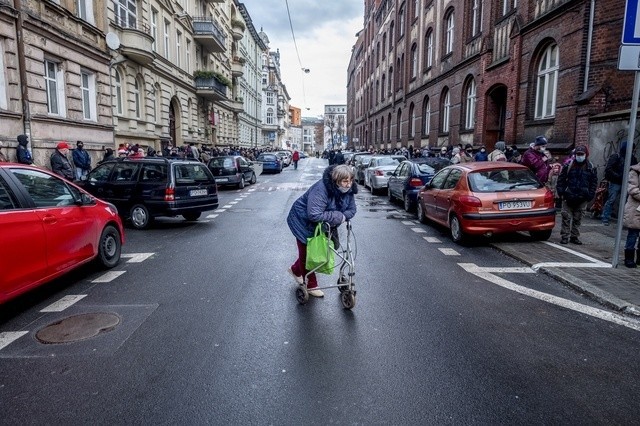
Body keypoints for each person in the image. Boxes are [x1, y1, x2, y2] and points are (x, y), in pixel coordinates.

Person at [287, 164, 357, 297]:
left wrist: (342, 216)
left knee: (327, 249)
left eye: (350, 181)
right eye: (345, 181)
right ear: (336, 180)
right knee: (308, 251)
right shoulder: (321, 189)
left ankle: (295, 270)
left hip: (325, 223)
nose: (348, 185)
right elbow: (314, 214)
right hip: (303, 221)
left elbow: (352, 210)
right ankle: (311, 284)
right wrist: (339, 216)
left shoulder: (349, 190)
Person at [556, 145, 598, 245]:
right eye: (577, 154)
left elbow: (593, 183)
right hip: (569, 195)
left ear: (585, 155)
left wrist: (590, 195)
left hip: (582, 197)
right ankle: (565, 236)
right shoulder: (568, 166)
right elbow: (561, 180)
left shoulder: (590, 168)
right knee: (566, 217)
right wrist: (561, 192)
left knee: (578, 218)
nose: (579, 156)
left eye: (581, 154)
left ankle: (574, 236)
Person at [602, 141, 637, 226]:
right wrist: (618, 176)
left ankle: (622, 220)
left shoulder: (632, 158)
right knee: (611, 200)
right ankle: (605, 217)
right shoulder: (616, 156)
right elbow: (609, 168)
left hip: (626, 183)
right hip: (615, 182)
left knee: (625, 202)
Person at [622, 162, 640, 267]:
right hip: (635, 208)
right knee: (633, 234)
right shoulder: (635, 171)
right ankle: (629, 258)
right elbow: (632, 189)